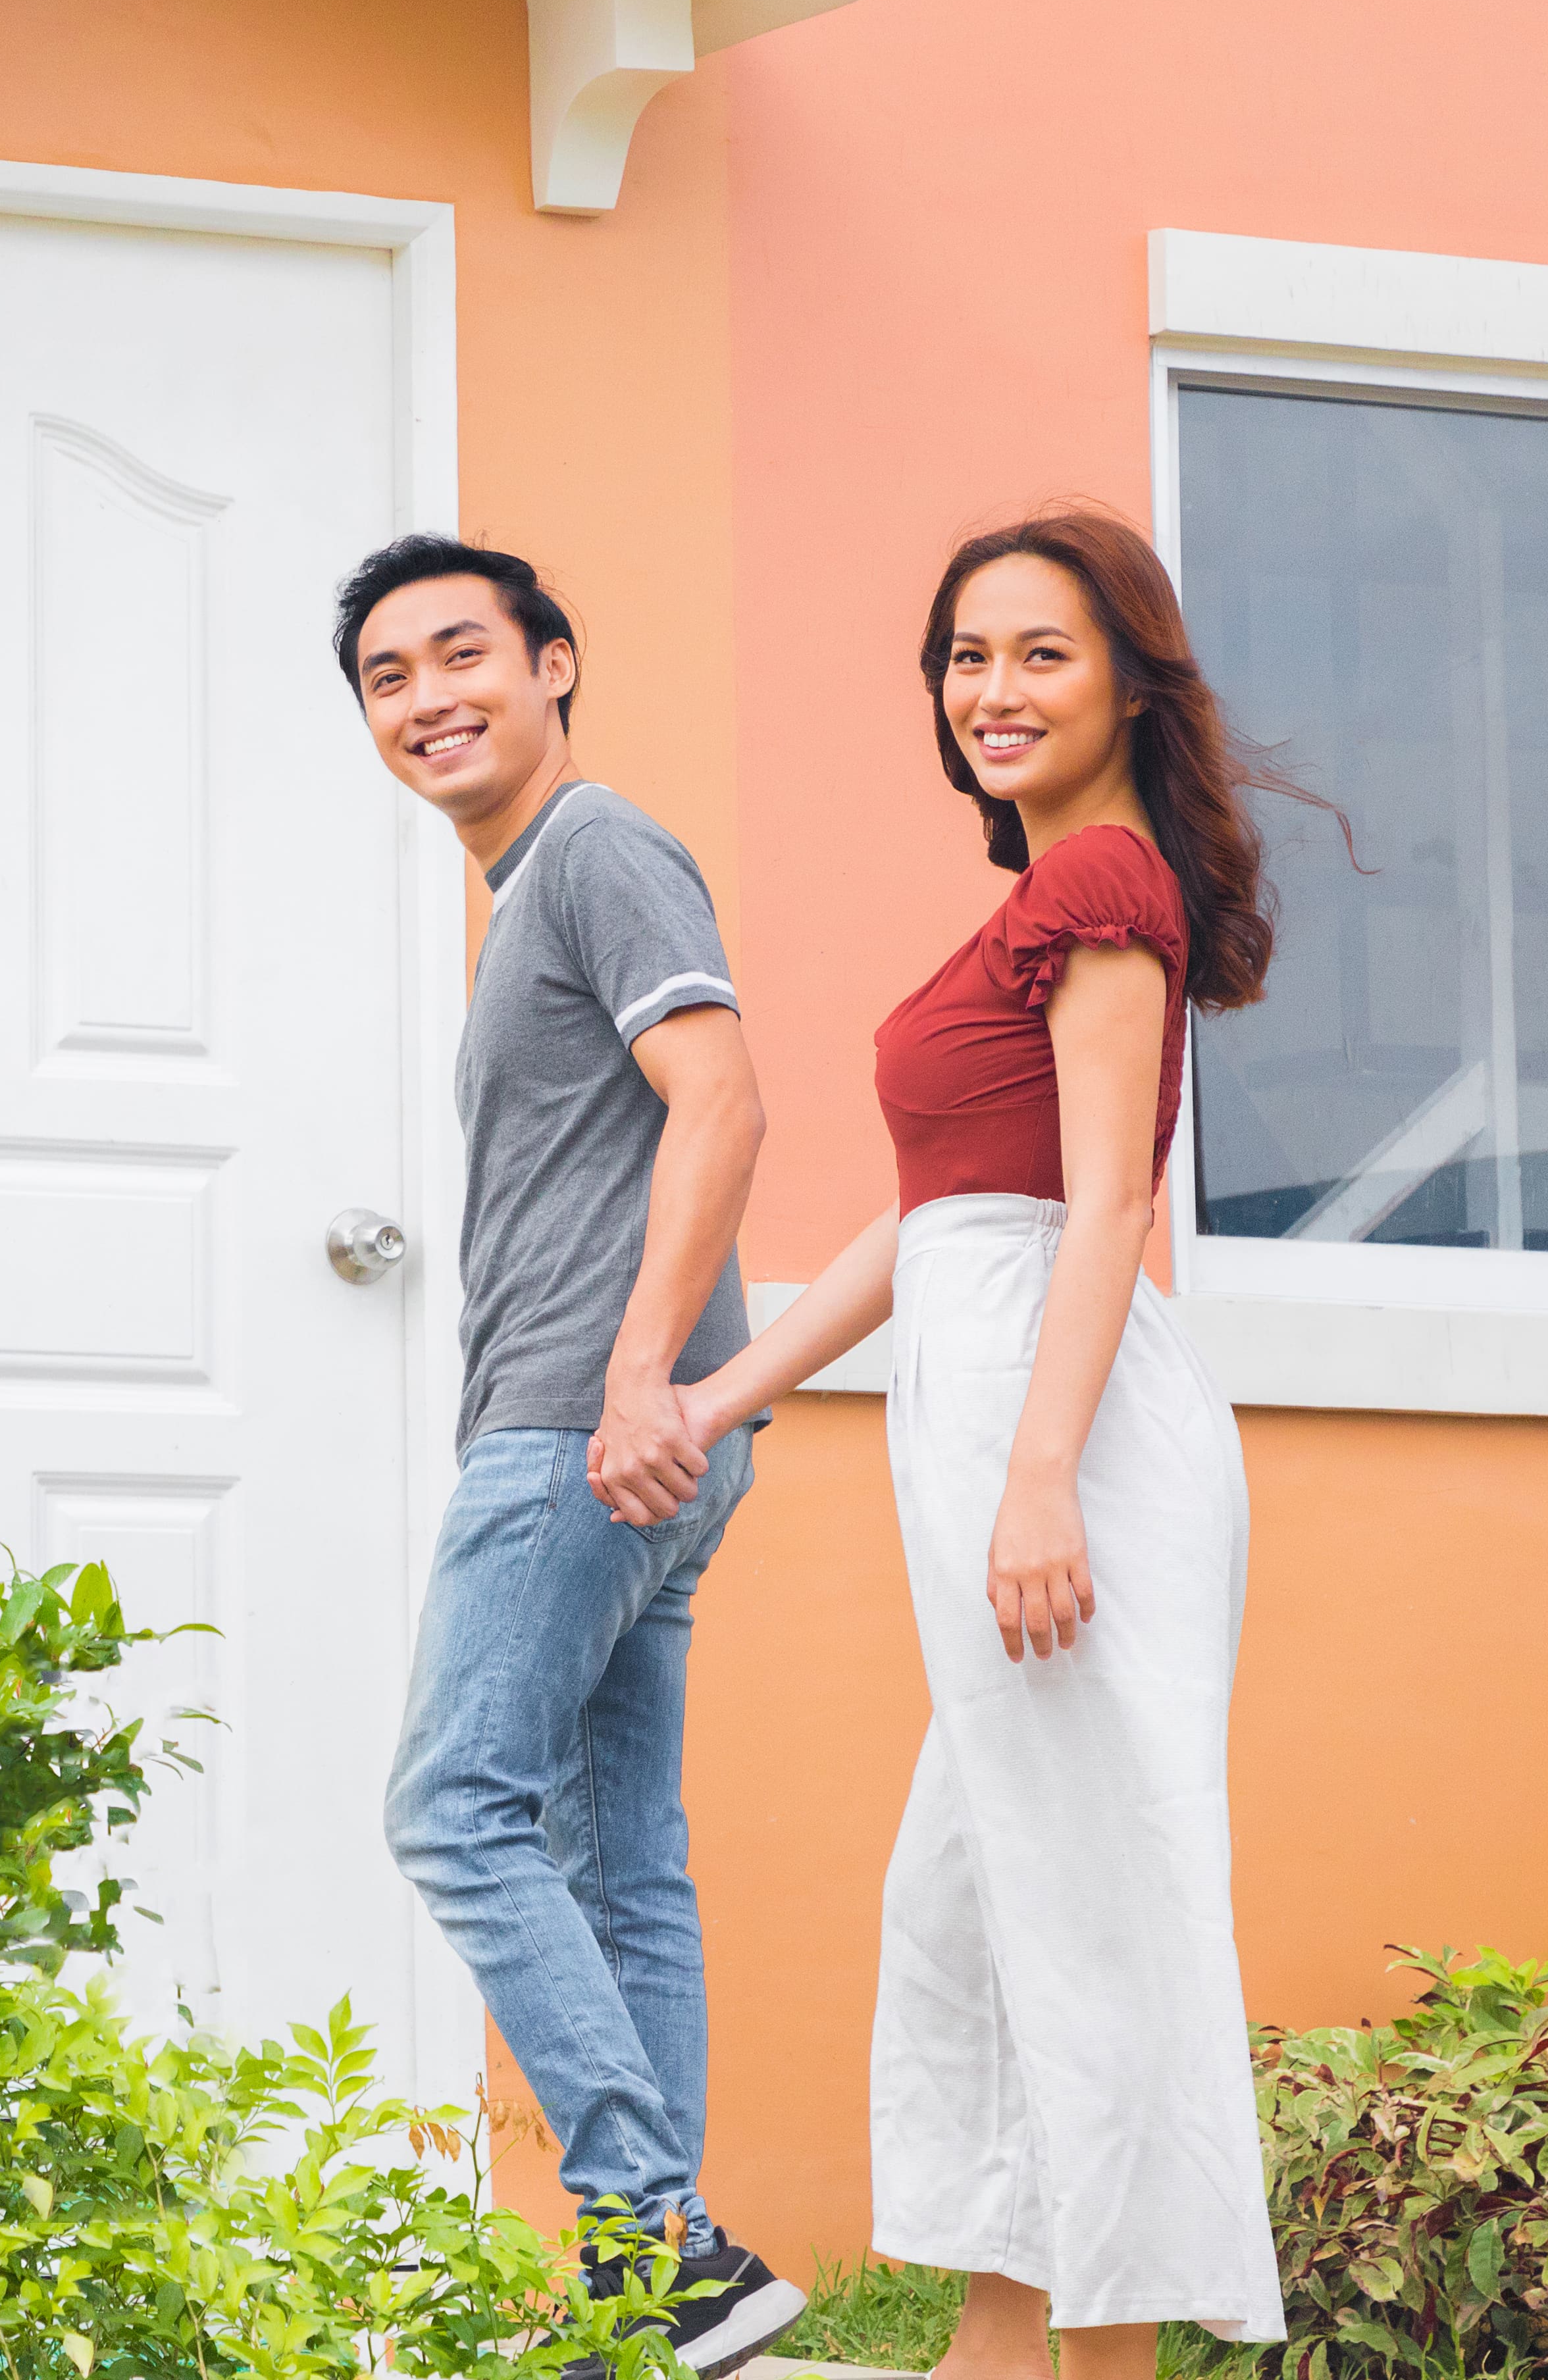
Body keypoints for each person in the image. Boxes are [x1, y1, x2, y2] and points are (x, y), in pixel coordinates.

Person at [650, 510, 1293, 2372]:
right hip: (998, 1375)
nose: (992, 690)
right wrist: (721, 1391)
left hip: (1063, 1428)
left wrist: (1036, 1477)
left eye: (1041, 653)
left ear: (1126, 683)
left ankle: (1098, 2359)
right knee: (976, 1888)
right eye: (966, 656)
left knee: (1093, 1905)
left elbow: (1106, 1211)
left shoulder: (1104, 893)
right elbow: (938, 1219)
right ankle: (993, 2348)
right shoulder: (1039, 902)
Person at [338, 534, 804, 2377]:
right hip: (642, 1426)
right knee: (619, 1862)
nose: (428, 697)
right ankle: (659, 2301)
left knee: (454, 1806)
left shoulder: (599, 850)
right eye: (387, 676)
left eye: (463, 654)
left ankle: (661, 2237)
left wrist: (633, 1381)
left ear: (555, 666)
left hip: (586, 1422)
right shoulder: (532, 888)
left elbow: (728, 1096)